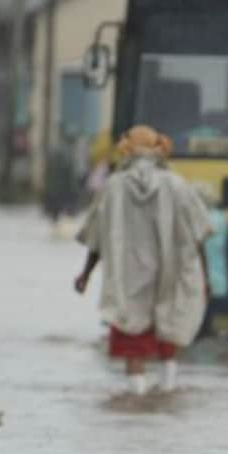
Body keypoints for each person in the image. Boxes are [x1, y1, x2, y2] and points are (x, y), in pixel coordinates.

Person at [74, 126, 212, 396]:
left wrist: (85, 274)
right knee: (168, 331)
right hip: (169, 272)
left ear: (125, 149)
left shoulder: (114, 186)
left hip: (128, 276)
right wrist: (204, 277)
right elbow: (199, 233)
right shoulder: (177, 184)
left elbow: (96, 238)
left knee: (132, 337)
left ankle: (136, 400)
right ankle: (166, 395)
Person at [195, 181, 228, 338]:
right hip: (215, 276)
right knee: (206, 318)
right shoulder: (220, 218)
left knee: (201, 322)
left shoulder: (205, 220)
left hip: (204, 277)